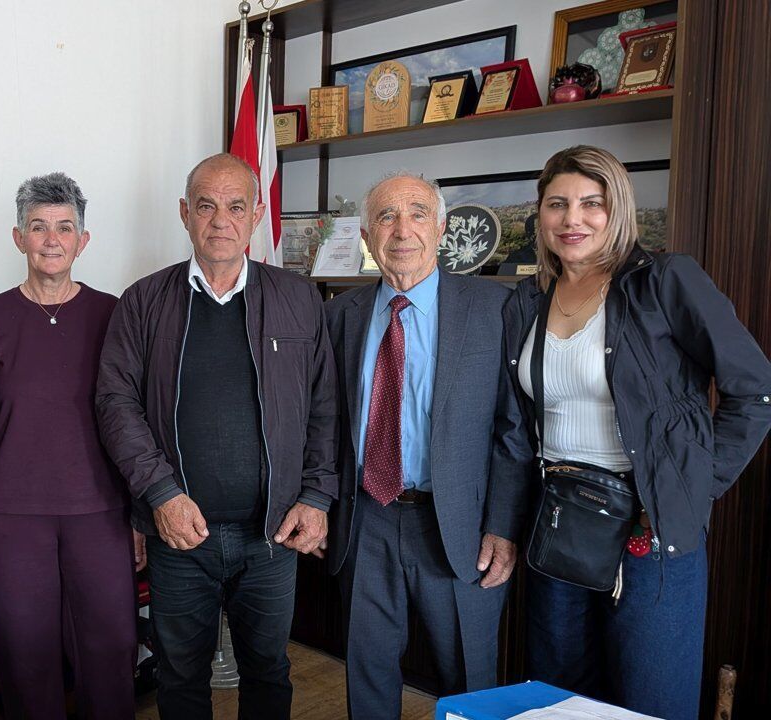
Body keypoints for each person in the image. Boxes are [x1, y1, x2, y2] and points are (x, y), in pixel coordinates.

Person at [497, 145, 771, 719]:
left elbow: (756, 391)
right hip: (559, 522)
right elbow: (517, 427)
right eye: (557, 204)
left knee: (651, 704)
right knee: (562, 703)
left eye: (591, 203)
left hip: (648, 529)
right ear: (540, 213)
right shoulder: (528, 299)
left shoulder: (664, 281)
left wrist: (690, 488)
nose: (572, 219)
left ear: (617, 208)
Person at [96, 153, 338, 720]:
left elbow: (324, 407)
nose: (220, 220)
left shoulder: (298, 298)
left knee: (268, 672)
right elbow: (115, 403)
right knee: (180, 677)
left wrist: (316, 496)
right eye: (206, 206)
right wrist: (160, 494)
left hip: (273, 533)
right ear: (185, 214)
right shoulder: (143, 300)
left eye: (235, 206)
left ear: (257, 214)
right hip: (180, 534)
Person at [324, 173, 528, 719]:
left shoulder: (495, 308)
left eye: (417, 213)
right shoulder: (339, 315)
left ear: (440, 228)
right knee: (367, 673)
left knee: (469, 681)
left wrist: (503, 526)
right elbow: (324, 423)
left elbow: (514, 429)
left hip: (459, 527)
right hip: (365, 520)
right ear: (366, 236)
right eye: (386, 216)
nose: (402, 229)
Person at [0, 172, 141, 719]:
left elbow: (137, 418)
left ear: (82, 241)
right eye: (38, 226)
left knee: (111, 649)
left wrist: (141, 514)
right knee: (24, 653)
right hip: (11, 515)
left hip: (102, 510)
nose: (51, 239)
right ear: (18, 237)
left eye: (64, 227)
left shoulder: (114, 314)